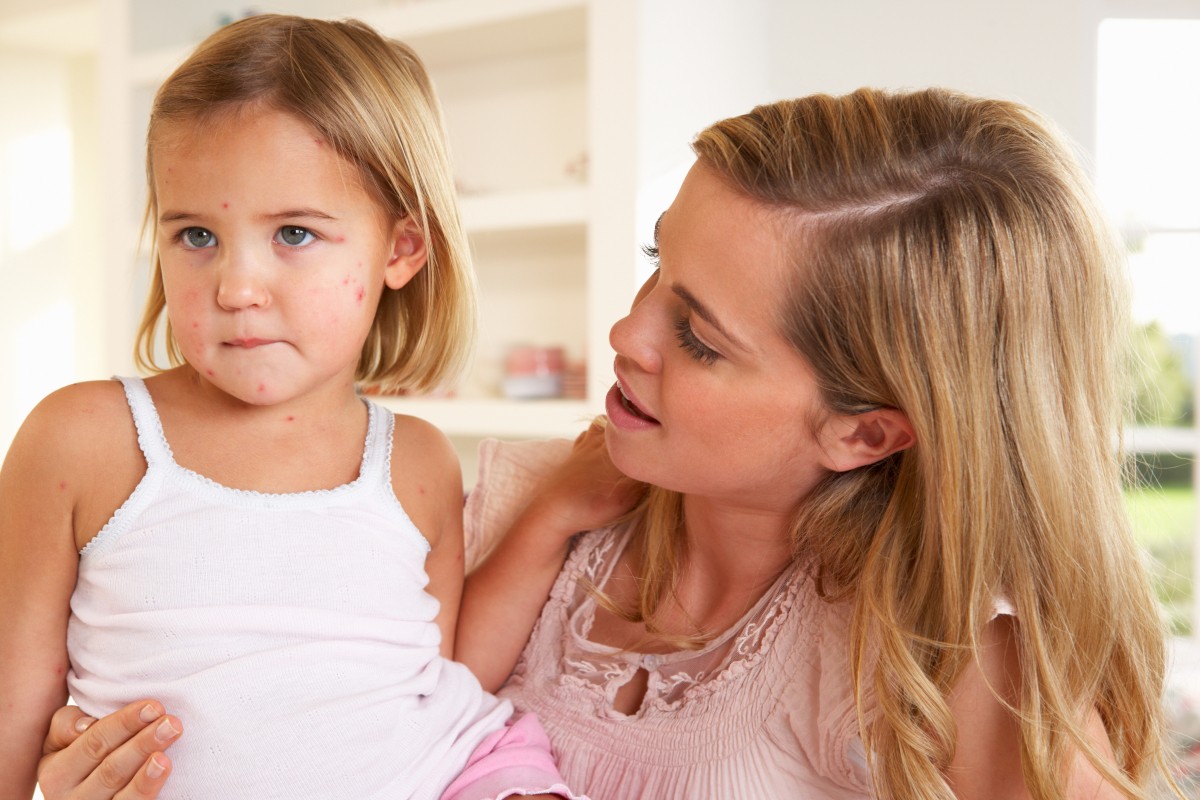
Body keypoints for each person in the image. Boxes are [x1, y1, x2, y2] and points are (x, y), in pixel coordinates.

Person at [35, 88, 1182, 799]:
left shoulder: (958, 674)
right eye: (654, 264)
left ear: (865, 428)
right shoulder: (494, 504)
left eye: (701, 334)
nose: (627, 333)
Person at [0, 14, 583, 800]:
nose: (237, 288)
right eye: (197, 235)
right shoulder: (84, 441)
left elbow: (422, 683)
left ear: (401, 250)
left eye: (296, 234)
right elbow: (13, 711)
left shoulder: (415, 461)